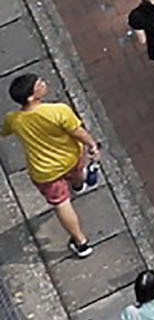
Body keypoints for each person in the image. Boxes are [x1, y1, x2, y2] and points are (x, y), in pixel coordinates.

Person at [11, 72, 94, 251]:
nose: (44, 83)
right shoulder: (59, 111)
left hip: (44, 171)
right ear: (32, 96)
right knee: (78, 173)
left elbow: (4, 130)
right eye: (39, 83)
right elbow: (77, 132)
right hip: (70, 157)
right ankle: (78, 185)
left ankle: (81, 243)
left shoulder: (14, 120)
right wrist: (91, 145)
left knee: (61, 203)